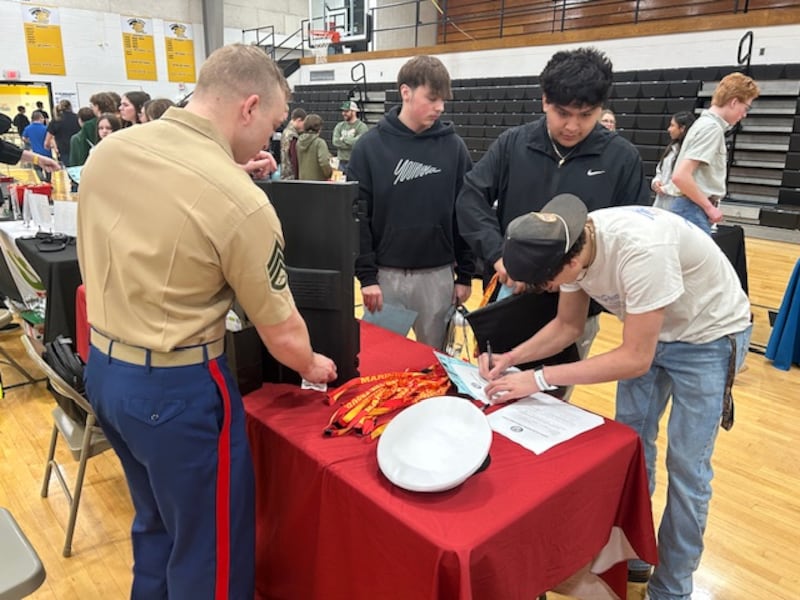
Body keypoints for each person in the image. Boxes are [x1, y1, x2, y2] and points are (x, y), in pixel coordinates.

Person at [77, 43, 337, 600]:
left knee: (156, 529)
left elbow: (170, 200)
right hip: (178, 391)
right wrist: (317, 364)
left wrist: (230, 173)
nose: (270, 139)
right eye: (271, 123)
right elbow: (283, 333)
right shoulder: (239, 203)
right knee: (209, 554)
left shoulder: (111, 151)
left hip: (103, 370)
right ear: (247, 107)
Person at [480, 194, 751, 600]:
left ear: (571, 263)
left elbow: (635, 359)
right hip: (652, 331)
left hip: (709, 336)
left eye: (547, 283)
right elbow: (568, 325)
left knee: (688, 471)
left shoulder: (642, 250)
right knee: (631, 451)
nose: (548, 289)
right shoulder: (569, 240)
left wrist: (537, 379)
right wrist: (512, 359)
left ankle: (672, 589)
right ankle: (638, 551)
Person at [456, 46, 649, 360]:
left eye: (586, 115)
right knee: (496, 379)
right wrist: (498, 255)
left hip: (578, 302)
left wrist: (574, 276)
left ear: (602, 109)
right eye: (563, 113)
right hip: (512, 293)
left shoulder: (622, 158)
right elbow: (471, 199)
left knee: (553, 395)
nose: (573, 126)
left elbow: (633, 235)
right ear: (545, 100)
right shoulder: (513, 144)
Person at [348, 55, 474, 349]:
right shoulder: (369, 147)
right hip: (386, 277)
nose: (440, 107)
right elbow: (356, 217)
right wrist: (366, 277)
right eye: (432, 98)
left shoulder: (454, 147)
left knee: (435, 368)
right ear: (406, 92)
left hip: (439, 276)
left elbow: (465, 212)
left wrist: (465, 273)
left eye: (442, 100)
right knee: (379, 363)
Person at [669, 72, 759, 234]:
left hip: (690, 208)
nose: (744, 114)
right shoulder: (711, 128)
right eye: (745, 108)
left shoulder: (704, 124)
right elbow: (680, 176)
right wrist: (709, 207)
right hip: (691, 210)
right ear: (734, 102)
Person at [651, 111, 695, 211]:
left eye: (672, 125)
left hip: (678, 206)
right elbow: (660, 171)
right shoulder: (671, 149)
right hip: (660, 204)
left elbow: (686, 179)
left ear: (682, 128)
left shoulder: (690, 152)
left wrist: (665, 189)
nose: (669, 129)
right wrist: (656, 182)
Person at [70, 92, 118, 166]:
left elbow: (83, 150)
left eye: (92, 106)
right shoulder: (119, 120)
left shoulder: (89, 125)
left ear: (97, 106)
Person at [332, 100, 368, 172]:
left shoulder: (362, 127)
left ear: (354, 111)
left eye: (346, 111)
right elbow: (335, 142)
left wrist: (343, 139)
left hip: (355, 162)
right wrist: (351, 142)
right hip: (341, 162)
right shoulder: (339, 126)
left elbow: (359, 143)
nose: (343, 113)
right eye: (343, 111)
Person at [296, 113, 332, 181]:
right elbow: (324, 162)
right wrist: (329, 174)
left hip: (302, 181)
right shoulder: (319, 143)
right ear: (319, 128)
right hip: (318, 183)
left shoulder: (299, 142)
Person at [45, 99, 81, 166]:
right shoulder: (78, 117)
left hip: (64, 150)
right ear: (70, 107)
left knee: (70, 170)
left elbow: (47, 141)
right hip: (79, 148)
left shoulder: (56, 120)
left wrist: (51, 147)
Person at [279, 107, 306, 180]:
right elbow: (294, 158)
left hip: (284, 173)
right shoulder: (293, 136)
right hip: (292, 176)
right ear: (299, 120)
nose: (304, 126)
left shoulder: (285, 132)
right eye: (304, 123)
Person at [22, 110, 50, 180]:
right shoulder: (46, 128)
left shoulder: (28, 128)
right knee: (48, 169)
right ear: (40, 118)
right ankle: (48, 181)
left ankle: (42, 180)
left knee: (37, 168)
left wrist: (30, 142)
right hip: (46, 152)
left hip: (35, 153)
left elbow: (24, 138)